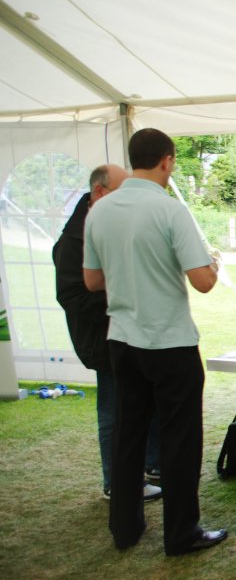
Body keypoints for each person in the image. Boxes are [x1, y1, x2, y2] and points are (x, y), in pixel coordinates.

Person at [83, 128, 226, 556]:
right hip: (170, 342)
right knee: (179, 439)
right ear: (167, 161)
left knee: (128, 435)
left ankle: (125, 528)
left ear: (132, 161)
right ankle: (182, 534)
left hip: (123, 341)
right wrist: (214, 263)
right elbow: (202, 282)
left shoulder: (101, 210)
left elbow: (92, 280)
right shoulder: (169, 210)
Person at [53, 164, 163, 502]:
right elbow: (73, 297)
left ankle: (153, 465)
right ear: (100, 192)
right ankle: (117, 483)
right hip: (104, 340)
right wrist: (124, 297)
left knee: (149, 399)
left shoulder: (111, 224)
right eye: (121, 192)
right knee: (115, 410)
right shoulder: (73, 242)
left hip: (134, 334)